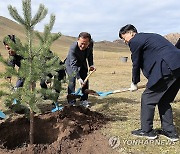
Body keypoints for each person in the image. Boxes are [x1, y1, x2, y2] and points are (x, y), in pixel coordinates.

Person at [119, 24, 180, 141]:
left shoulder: (135, 40)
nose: (125, 41)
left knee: (147, 98)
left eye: (124, 37)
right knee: (164, 100)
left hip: (166, 67)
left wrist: (134, 82)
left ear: (131, 33)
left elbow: (136, 62)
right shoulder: (150, 37)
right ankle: (170, 132)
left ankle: (146, 130)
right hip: (177, 67)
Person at [65, 32, 96, 107]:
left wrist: (91, 64)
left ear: (89, 42)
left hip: (82, 63)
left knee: (85, 81)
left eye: (85, 44)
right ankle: (71, 102)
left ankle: (84, 99)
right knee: (72, 81)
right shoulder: (73, 48)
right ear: (78, 40)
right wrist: (78, 78)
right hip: (70, 64)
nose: (82, 46)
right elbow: (73, 64)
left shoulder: (91, 44)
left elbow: (90, 54)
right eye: (81, 43)